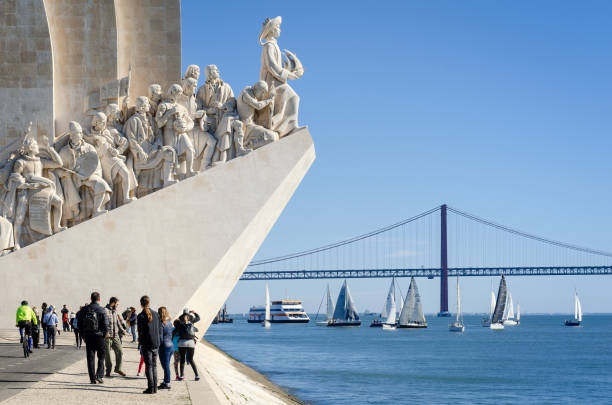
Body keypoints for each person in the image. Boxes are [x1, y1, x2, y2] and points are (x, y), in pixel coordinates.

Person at [77, 291, 109, 384]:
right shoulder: (102, 309)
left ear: (91, 299)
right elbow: (106, 325)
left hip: (88, 336)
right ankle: (99, 375)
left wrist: (83, 336)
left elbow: (79, 324)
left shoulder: (84, 309)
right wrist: (104, 334)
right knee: (101, 356)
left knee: (90, 358)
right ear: (99, 299)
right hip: (99, 336)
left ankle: (92, 379)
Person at [137, 295, 160, 394]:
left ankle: (150, 388)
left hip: (147, 344)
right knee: (154, 366)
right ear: (149, 302)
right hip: (156, 343)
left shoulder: (141, 316)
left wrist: (140, 343)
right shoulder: (156, 314)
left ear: (141, 304)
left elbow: (140, 332)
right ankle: (154, 388)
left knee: (149, 366)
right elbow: (159, 329)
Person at [173, 308, 201, 381]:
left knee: (182, 360)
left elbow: (176, 328)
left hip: (182, 342)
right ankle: (197, 375)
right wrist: (194, 313)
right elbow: (198, 318)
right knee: (191, 359)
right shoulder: (192, 321)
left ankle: (181, 376)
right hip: (191, 342)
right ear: (188, 315)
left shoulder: (180, 323)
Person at [104, 297, 127, 377]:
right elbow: (103, 323)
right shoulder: (105, 311)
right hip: (107, 336)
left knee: (120, 351)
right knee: (108, 355)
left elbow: (118, 323)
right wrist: (105, 332)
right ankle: (108, 370)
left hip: (115, 336)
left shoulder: (115, 311)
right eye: (117, 304)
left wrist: (123, 331)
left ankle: (118, 368)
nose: (117, 306)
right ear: (113, 303)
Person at [157, 307, 173, 390]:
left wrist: (157, 346)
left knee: (165, 365)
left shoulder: (161, 323)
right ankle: (165, 381)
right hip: (171, 345)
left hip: (164, 346)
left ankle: (167, 383)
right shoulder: (170, 322)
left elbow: (160, 338)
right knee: (166, 365)